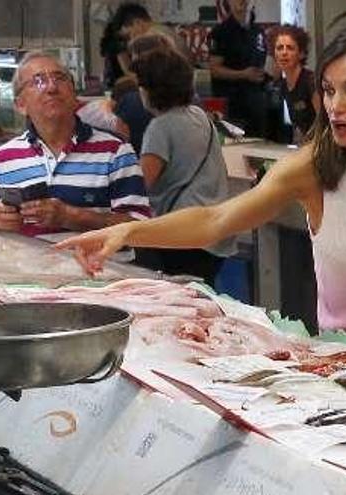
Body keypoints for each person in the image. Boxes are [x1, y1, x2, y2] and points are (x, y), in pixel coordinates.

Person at [58, 28, 346, 364]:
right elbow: (216, 221)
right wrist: (130, 231)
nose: (334, 105)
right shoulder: (311, 169)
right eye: (328, 89)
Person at [0, 52, 150, 236]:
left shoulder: (115, 152)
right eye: (38, 81)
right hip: (26, 272)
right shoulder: (3, 158)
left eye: (60, 78)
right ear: (20, 105)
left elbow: (140, 228)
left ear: (74, 94)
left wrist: (71, 217)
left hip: (100, 273)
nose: (52, 87)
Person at [131, 48, 237, 285]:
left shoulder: (160, 128)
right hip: (216, 231)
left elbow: (139, 187)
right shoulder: (199, 115)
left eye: (140, 85)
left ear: (151, 89)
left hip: (182, 234)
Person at [208, 0, 269, 137]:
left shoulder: (258, 32)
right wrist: (243, 74)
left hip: (256, 104)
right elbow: (214, 69)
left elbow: (262, 63)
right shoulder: (220, 32)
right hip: (232, 106)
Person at [270, 24, 320, 143]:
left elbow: (325, 122)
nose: (284, 52)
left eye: (290, 48)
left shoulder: (311, 81)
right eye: (279, 48)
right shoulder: (283, 85)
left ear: (301, 54)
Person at [113, 2, 192, 71]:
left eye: (129, 35)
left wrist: (122, 57)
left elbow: (139, 78)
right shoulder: (164, 31)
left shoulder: (153, 39)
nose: (131, 40)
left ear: (138, 23)